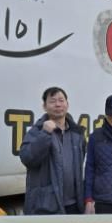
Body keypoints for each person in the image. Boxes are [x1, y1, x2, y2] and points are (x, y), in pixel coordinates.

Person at [19, 87, 86, 215]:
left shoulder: (77, 133)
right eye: (52, 101)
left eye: (61, 100)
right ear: (44, 106)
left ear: (67, 104)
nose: (58, 104)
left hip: (74, 205)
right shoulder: (37, 131)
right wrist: (45, 134)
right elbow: (27, 159)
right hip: (47, 206)